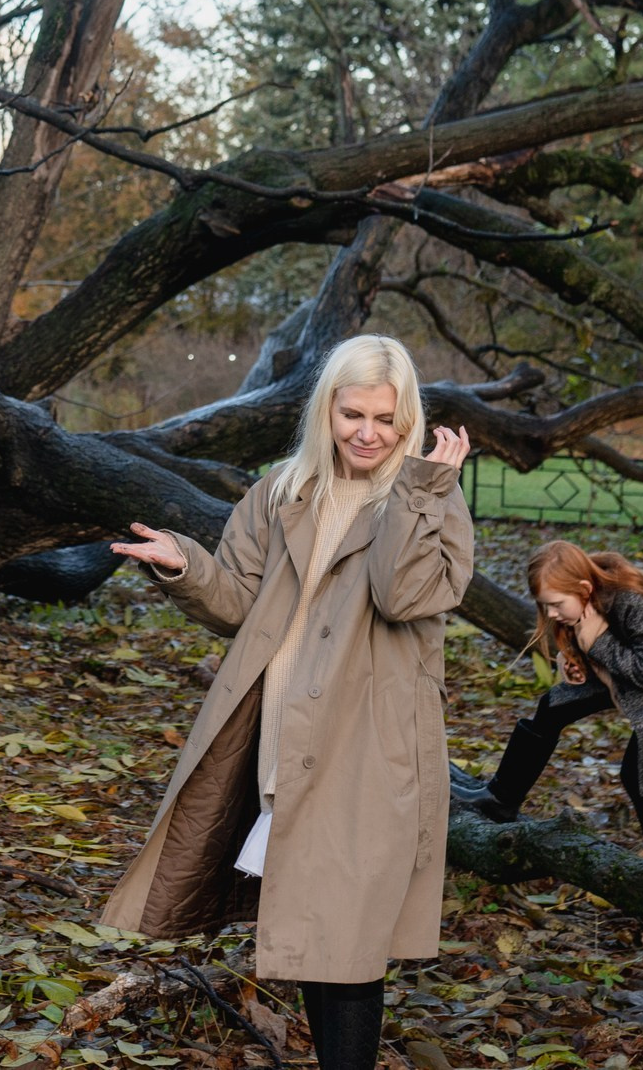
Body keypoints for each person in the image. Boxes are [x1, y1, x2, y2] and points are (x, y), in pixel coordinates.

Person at [98, 335, 475, 1070]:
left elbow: (403, 594)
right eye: (352, 414)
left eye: (386, 420)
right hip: (283, 738)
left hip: (370, 751)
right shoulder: (282, 490)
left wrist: (423, 488)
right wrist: (186, 564)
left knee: (349, 945)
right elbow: (240, 599)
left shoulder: (432, 498)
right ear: (326, 409)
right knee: (311, 934)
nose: (367, 433)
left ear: (409, 420)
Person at [451, 539, 643, 854]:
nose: (551, 613)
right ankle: (501, 799)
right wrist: (579, 659)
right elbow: (609, 642)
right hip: (634, 671)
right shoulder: (591, 597)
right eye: (545, 606)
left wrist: (597, 644)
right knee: (554, 706)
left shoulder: (632, 602)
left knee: (640, 775)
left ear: (584, 588)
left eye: (556, 604)